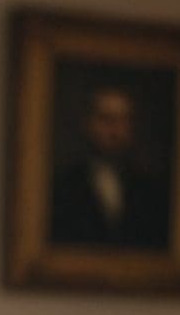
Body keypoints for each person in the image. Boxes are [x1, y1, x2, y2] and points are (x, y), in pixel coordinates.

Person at [47, 84, 173, 249]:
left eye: (123, 120)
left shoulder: (150, 189)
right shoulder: (63, 185)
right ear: (88, 124)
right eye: (106, 119)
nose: (115, 130)